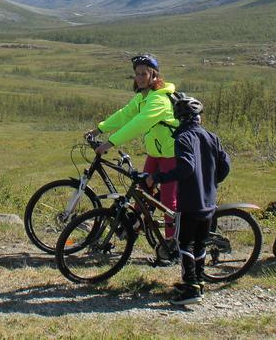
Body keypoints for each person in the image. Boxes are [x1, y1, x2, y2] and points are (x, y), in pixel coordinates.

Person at [147, 94, 230, 305]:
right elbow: (225, 166)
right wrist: (211, 182)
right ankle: (198, 282)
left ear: (180, 117)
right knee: (200, 244)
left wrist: (158, 177)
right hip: (209, 201)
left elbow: (185, 168)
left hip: (190, 201)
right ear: (198, 117)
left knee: (184, 243)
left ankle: (190, 288)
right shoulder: (213, 137)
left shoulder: (183, 138)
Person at [88, 53, 179, 241]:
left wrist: (109, 143)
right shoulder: (142, 97)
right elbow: (125, 114)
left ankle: (173, 244)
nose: (139, 78)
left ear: (154, 75)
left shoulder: (159, 100)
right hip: (156, 152)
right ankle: (133, 231)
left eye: (143, 74)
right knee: (142, 192)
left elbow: (138, 124)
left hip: (172, 154)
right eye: (137, 74)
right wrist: (99, 130)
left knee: (168, 201)